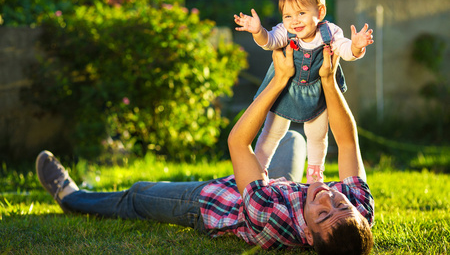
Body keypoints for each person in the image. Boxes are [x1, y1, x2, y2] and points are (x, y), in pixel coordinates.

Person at [36, 46, 374, 254]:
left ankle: (71, 197)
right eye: (340, 203)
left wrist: (279, 80)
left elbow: (237, 142)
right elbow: (346, 141)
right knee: (294, 139)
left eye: (323, 214)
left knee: (138, 196)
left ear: (310, 239)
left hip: (214, 204)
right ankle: (263, 174)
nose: (329, 197)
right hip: (279, 185)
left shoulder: (269, 217)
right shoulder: (357, 213)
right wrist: (328, 82)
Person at [234, 0, 374, 183]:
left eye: (301, 13)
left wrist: (356, 46)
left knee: (317, 135)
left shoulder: (330, 32)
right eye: (288, 15)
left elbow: (344, 50)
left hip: (316, 91)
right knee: (272, 131)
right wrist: (258, 32)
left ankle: (315, 176)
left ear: (321, 12)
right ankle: (258, 169)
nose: (295, 21)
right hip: (285, 90)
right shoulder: (285, 31)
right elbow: (269, 41)